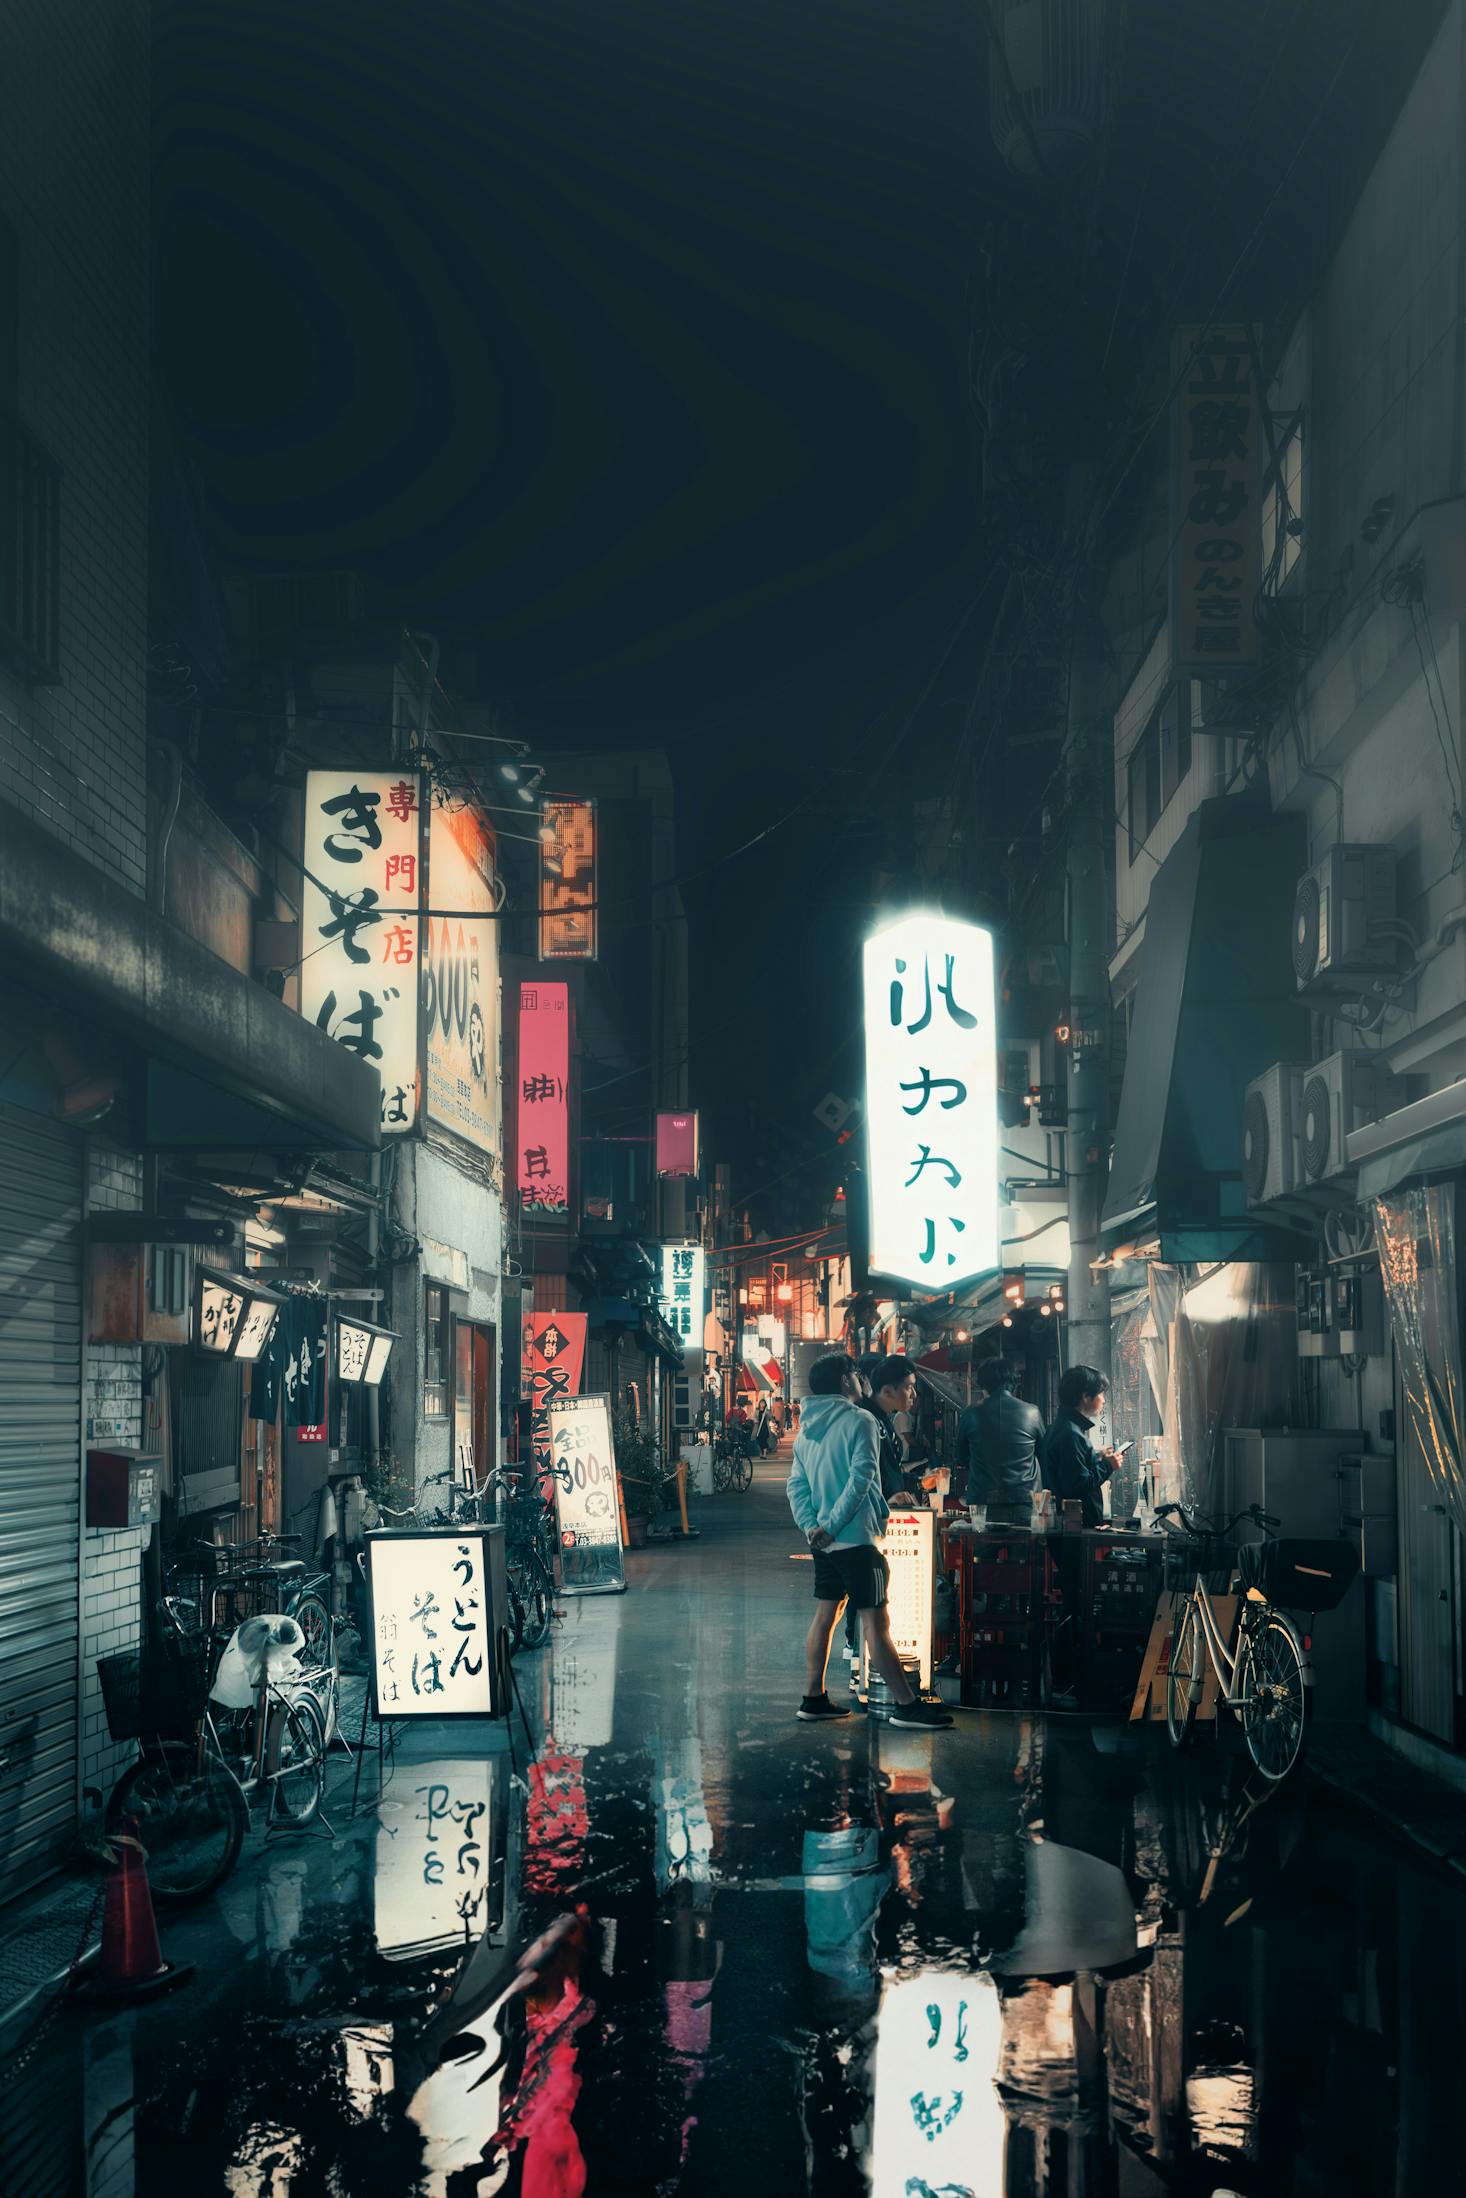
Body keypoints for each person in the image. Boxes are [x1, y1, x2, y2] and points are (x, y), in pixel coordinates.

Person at [786, 1353, 952, 1730]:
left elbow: (796, 1485)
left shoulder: (807, 1426)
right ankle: (907, 1706)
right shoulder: (859, 1420)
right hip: (856, 1540)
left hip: (823, 1544)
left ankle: (813, 1698)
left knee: (826, 1616)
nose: (861, 1380)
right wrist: (831, 1525)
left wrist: (813, 1527)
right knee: (877, 1623)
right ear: (846, 1382)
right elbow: (862, 1479)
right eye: (856, 1375)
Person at [955, 1359, 1044, 1526]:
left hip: (983, 1502)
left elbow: (961, 1458)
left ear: (982, 1383)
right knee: (1023, 1550)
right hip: (1024, 1500)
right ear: (1014, 1382)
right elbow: (1043, 1454)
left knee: (983, 1551)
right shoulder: (1033, 1412)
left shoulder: (971, 1414)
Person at [1040, 1364, 1120, 1527]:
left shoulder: (1062, 1427)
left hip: (1067, 1524)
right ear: (1085, 1396)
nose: (1103, 1400)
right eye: (1100, 1393)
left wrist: (1097, 1458)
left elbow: (1072, 1471)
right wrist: (1108, 1465)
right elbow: (1077, 1485)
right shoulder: (1071, 1433)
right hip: (1076, 1526)